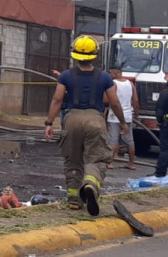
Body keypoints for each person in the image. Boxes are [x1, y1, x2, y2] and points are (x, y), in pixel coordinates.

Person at [44, 36, 127, 216]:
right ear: (94, 55)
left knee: (73, 159)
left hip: (71, 119)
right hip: (95, 119)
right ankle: (90, 185)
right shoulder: (104, 77)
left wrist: (49, 123)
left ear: (75, 55)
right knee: (96, 158)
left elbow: (57, 99)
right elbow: (114, 102)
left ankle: (74, 200)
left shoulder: (66, 75)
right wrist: (122, 122)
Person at [106, 68, 139, 170]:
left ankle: (110, 163)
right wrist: (136, 114)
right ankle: (131, 163)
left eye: (110, 73)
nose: (109, 75)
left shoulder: (113, 84)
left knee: (113, 139)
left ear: (115, 73)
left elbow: (107, 99)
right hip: (128, 115)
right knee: (130, 140)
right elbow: (135, 100)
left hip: (114, 116)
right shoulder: (130, 84)